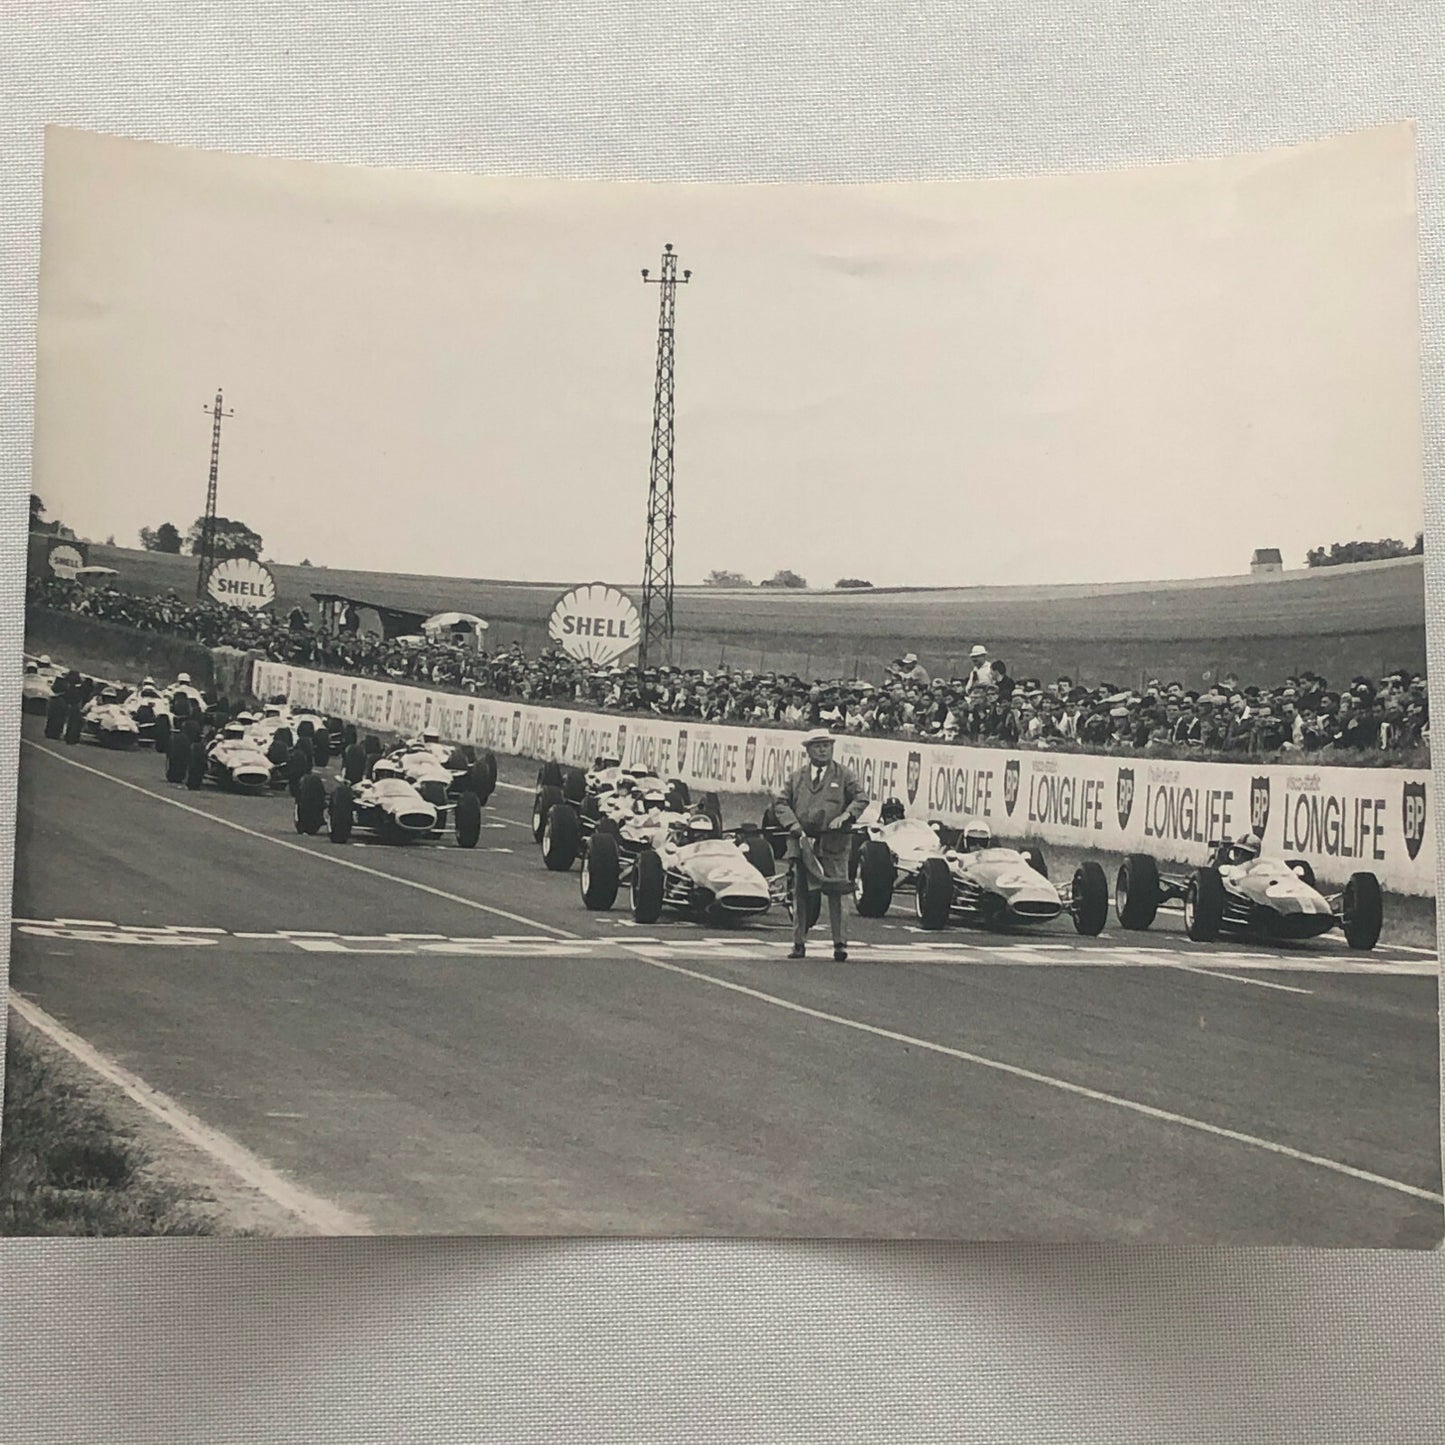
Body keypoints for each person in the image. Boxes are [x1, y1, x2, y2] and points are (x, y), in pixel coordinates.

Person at [772, 728, 868, 961]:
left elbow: (861, 798)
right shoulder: (796, 777)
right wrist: (794, 827)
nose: (823, 749)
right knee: (801, 893)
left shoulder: (844, 774)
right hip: (802, 841)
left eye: (826, 745)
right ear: (808, 750)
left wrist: (846, 816)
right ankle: (798, 942)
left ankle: (840, 944)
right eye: (818, 746)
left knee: (837, 892)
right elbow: (781, 803)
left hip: (834, 842)